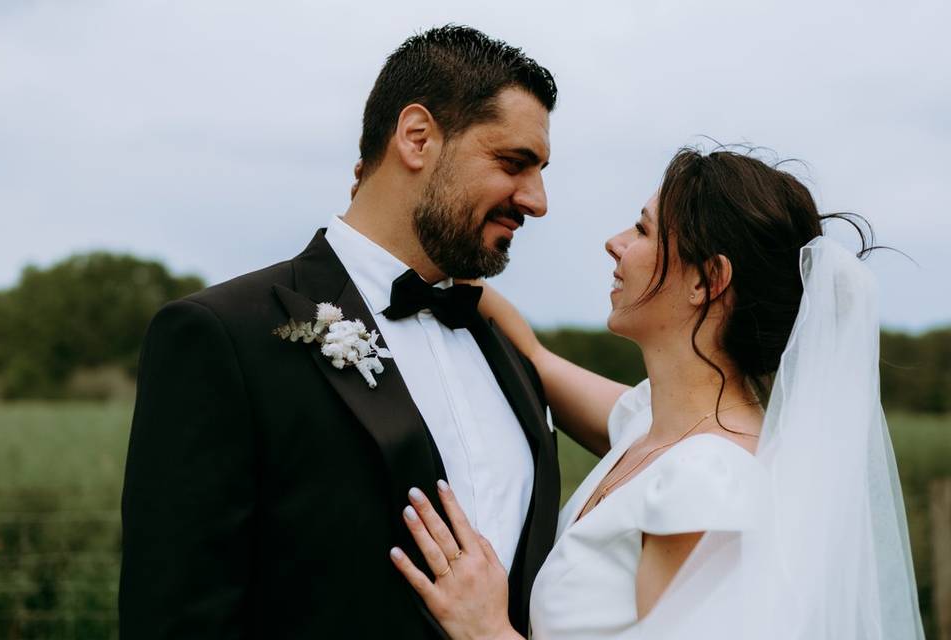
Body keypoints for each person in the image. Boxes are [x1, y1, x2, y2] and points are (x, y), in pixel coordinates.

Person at [119, 25, 561, 639]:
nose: (537, 201)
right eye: (513, 163)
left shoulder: (509, 352)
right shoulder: (224, 337)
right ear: (417, 137)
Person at [388, 148, 926, 639]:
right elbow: (536, 358)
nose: (615, 242)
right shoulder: (650, 422)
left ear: (707, 281)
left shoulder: (706, 483)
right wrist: (424, 261)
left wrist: (486, 629)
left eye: (642, 231)